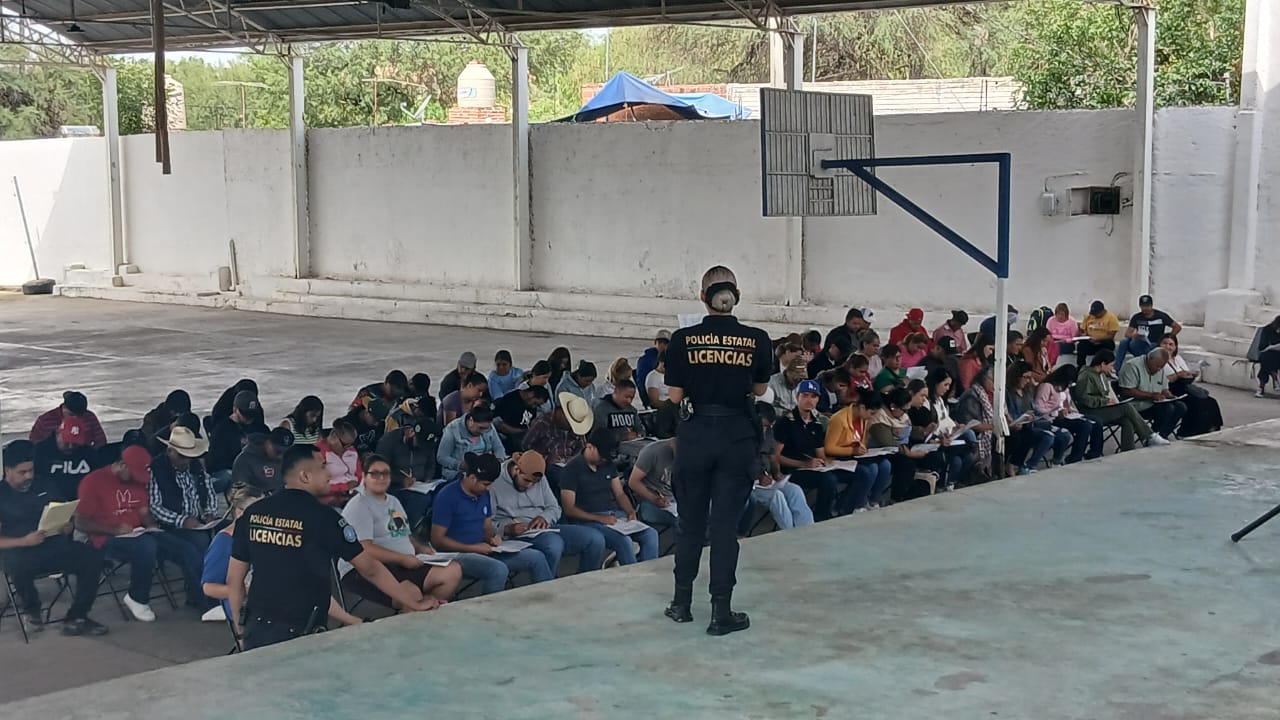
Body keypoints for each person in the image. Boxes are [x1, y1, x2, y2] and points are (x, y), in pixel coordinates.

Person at [227, 445, 438, 650]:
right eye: (322, 466)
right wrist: (414, 603)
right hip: (301, 635)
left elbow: (234, 580)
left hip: (257, 630)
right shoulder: (324, 517)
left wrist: (240, 631)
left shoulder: (253, 514)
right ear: (305, 476)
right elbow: (370, 568)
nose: (329, 473)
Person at [662, 265, 772, 636]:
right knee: (724, 527)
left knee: (690, 523)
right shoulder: (757, 339)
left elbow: (675, 396)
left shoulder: (682, 339)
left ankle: (681, 603)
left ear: (702, 296)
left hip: (695, 437)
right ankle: (720, 611)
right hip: (736, 437)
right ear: (735, 295)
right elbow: (759, 391)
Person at [76, 446, 206, 621]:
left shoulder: (136, 481)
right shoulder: (94, 481)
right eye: (134, 474)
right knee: (146, 545)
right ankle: (137, 597)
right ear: (122, 465)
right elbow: (81, 522)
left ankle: (206, 602)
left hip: (139, 533)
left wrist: (152, 526)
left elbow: (144, 512)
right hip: (107, 538)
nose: (137, 479)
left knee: (185, 548)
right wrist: (114, 529)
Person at [202, 484, 360, 625]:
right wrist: (246, 589)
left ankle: (347, 619)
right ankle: (346, 621)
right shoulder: (224, 541)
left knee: (305, 581)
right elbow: (209, 588)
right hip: (249, 603)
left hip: (275, 591)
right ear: (239, 513)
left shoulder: (267, 533)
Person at [0, 439, 109, 636]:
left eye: (31, 470)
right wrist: (24, 541)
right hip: (18, 550)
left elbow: (62, 509)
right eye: (22, 472)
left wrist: (67, 525)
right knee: (17, 563)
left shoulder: (44, 483)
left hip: (51, 544)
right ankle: (32, 609)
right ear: (7, 470)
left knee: (92, 556)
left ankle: (78, 616)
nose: (28, 476)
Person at [339, 455, 462, 608]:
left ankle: (424, 611)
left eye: (385, 473)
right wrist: (402, 559)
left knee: (452, 571)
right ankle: (417, 610)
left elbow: (405, 534)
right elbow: (364, 548)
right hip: (367, 568)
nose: (381, 478)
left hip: (404, 564)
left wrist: (420, 548)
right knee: (411, 593)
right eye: (375, 473)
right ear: (364, 476)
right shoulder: (359, 505)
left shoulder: (393, 501)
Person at [430, 452, 553, 595]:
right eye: (486, 484)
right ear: (472, 478)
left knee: (537, 557)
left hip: (485, 550)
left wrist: (493, 538)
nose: (489, 488)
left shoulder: (483, 494)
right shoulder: (447, 496)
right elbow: (437, 540)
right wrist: (472, 548)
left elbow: (487, 527)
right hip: (458, 554)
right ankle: (491, 608)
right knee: (498, 569)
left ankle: (549, 599)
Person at [490, 450, 606, 576]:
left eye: (534, 483)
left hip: (544, 529)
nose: (529, 486)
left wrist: (544, 517)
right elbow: (487, 522)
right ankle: (548, 584)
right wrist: (507, 529)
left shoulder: (539, 478)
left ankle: (584, 582)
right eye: (526, 481)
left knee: (595, 539)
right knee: (553, 544)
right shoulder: (495, 481)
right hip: (515, 533)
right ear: (517, 470)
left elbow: (554, 508)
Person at [560, 429, 659, 566]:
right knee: (624, 541)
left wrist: (630, 511)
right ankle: (633, 574)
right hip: (587, 519)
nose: (604, 460)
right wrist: (598, 518)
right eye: (601, 456)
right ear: (590, 447)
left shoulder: (607, 464)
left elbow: (619, 494)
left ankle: (649, 571)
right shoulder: (572, 469)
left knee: (651, 534)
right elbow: (569, 508)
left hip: (613, 516)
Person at [772, 380, 839, 521]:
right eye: (805, 395)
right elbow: (775, 455)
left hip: (811, 468)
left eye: (813, 396)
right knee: (828, 480)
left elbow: (820, 453)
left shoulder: (816, 423)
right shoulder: (785, 422)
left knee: (842, 474)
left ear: (818, 399)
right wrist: (804, 464)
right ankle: (821, 517)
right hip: (790, 471)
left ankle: (841, 509)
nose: (809, 400)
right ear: (798, 397)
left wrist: (827, 462)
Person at [1073, 350, 1161, 451]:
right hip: (1091, 411)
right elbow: (1083, 398)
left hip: (1102, 408)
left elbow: (1105, 392)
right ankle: (1149, 436)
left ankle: (1128, 450)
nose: (1112, 368)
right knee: (1126, 407)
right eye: (1111, 365)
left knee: (1127, 420)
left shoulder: (1101, 374)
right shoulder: (1086, 376)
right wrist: (1104, 401)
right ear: (1103, 364)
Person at [822, 388, 893, 512]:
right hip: (840, 458)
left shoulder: (863, 419)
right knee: (871, 469)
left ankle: (873, 501)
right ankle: (855, 505)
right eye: (871, 413)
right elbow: (829, 448)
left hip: (855, 456)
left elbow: (861, 440)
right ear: (862, 407)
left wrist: (862, 448)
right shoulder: (839, 419)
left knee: (885, 465)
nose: (872, 417)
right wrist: (852, 451)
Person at [748, 404, 814, 530]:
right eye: (764, 425)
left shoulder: (768, 433)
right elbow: (743, 464)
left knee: (795, 490)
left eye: (768, 426)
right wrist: (759, 476)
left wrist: (776, 472)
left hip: (767, 480)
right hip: (750, 484)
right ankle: (790, 533)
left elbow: (773, 456)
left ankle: (807, 529)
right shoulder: (744, 437)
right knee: (777, 496)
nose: (765, 429)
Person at [148, 427, 219, 533]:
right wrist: (182, 520)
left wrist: (210, 513)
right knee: (201, 539)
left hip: (199, 521)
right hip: (171, 527)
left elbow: (210, 492)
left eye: (189, 456)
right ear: (169, 451)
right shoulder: (157, 470)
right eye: (182, 456)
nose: (186, 460)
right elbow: (155, 506)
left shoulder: (196, 466)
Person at [1035, 365, 1103, 464]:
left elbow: (1067, 404)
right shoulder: (1046, 386)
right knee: (1085, 426)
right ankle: (1075, 458)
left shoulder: (1065, 388)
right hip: (1051, 418)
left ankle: (1094, 453)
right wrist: (1056, 411)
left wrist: (1070, 409)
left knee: (1096, 422)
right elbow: (1039, 408)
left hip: (1066, 414)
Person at [1118, 348, 1187, 442]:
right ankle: (1151, 437)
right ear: (1150, 358)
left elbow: (1164, 388)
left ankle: (1162, 435)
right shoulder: (1132, 366)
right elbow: (1127, 391)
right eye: (1157, 366)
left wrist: (1169, 395)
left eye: (1161, 367)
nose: (1159, 369)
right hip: (1136, 405)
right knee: (1167, 409)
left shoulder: (1160, 368)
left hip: (1154, 403)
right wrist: (1151, 395)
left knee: (1181, 407)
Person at [1160, 335, 1222, 436]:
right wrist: (1177, 375)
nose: (1167, 347)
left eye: (1171, 344)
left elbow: (1186, 372)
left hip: (1184, 386)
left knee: (1211, 401)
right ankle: (1188, 431)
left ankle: (1212, 427)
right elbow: (1158, 379)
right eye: (1164, 343)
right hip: (1169, 388)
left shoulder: (1178, 358)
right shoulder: (1157, 359)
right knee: (1195, 402)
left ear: (1175, 347)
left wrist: (1191, 374)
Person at [207, 391, 269, 488]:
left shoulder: (261, 428)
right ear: (235, 410)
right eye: (245, 414)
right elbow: (214, 462)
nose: (249, 418)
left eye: (252, 414)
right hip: (230, 470)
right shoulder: (222, 430)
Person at [523, 402, 588, 494]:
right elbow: (526, 445)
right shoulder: (542, 423)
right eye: (569, 422)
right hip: (548, 464)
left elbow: (582, 448)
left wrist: (572, 459)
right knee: (564, 479)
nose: (571, 426)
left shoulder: (577, 428)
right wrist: (544, 457)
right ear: (562, 414)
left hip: (571, 462)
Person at [33, 415, 103, 501]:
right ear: (58, 433)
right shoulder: (41, 451)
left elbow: (97, 477)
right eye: (66, 442)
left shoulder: (88, 452)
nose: (70, 446)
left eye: (75, 443)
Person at [951, 371, 999, 479]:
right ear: (985, 379)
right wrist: (993, 426)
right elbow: (969, 423)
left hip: (983, 431)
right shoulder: (971, 395)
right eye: (993, 381)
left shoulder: (988, 395)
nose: (995, 385)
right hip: (969, 433)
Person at [437, 407, 507, 478]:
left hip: (485, 469)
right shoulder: (452, 429)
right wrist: (461, 465)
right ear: (471, 421)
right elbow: (442, 457)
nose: (483, 432)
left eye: (486, 429)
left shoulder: (489, 427)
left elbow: (498, 447)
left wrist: (499, 461)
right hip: (458, 473)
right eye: (481, 428)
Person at [1116, 295, 1181, 368]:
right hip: (1140, 343)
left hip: (1155, 344)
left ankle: (1145, 364)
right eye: (1143, 306)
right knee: (1124, 341)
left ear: (1151, 305)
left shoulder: (1161, 316)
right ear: (1140, 306)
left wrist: (1167, 338)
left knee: (1153, 346)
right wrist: (1135, 335)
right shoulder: (1136, 317)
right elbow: (1127, 333)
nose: (1145, 308)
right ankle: (1116, 368)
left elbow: (1177, 327)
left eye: (1147, 306)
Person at [628, 438, 679, 531]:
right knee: (683, 523)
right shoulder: (652, 452)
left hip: (676, 500)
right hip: (649, 500)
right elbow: (633, 482)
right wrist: (654, 499)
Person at [29, 391, 107, 449]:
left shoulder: (89, 417)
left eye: (80, 415)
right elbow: (33, 442)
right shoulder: (45, 420)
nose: (75, 418)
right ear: (64, 408)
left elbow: (101, 440)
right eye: (71, 414)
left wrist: (90, 455)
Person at [231, 428, 296, 494]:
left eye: (285, 453)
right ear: (268, 443)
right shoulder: (244, 460)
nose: (281, 456)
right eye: (278, 452)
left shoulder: (289, 459)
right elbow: (239, 493)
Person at [494, 385, 550, 453]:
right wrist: (521, 431)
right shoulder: (510, 401)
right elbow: (498, 424)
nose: (534, 406)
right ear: (531, 394)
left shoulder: (530, 406)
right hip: (511, 437)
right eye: (535, 403)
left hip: (526, 433)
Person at [317, 418, 362, 501]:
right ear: (334, 437)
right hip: (329, 498)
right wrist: (344, 486)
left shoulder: (351, 449)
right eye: (345, 444)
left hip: (352, 493)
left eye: (351, 444)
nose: (349, 448)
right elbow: (317, 484)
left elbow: (358, 473)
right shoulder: (318, 452)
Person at [1077, 300, 1120, 366]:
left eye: (1096, 314)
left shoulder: (1111, 318)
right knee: (1081, 345)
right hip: (1090, 341)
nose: (1095, 315)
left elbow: (1111, 335)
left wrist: (1098, 339)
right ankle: (1081, 366)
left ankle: (1100, 366)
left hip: (1103, 342)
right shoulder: (1088, 317)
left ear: (1102, 311)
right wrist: (1083, 334)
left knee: (1108, 344)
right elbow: (1082, 329)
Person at [636, 330, 672, 401]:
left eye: (665, 343)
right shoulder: (645, 360)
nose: (662, 345)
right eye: (660, 342)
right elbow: (642, 384)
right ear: (655, 343)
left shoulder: (673, 358)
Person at [1255, 315, 1280, 398]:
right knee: (1267, 357)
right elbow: (1262, 347)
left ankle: (1261, 387)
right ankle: (1274, 375)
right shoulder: (1267, 330)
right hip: (1268, 354)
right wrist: (1271, 347)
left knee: (1266, 362)